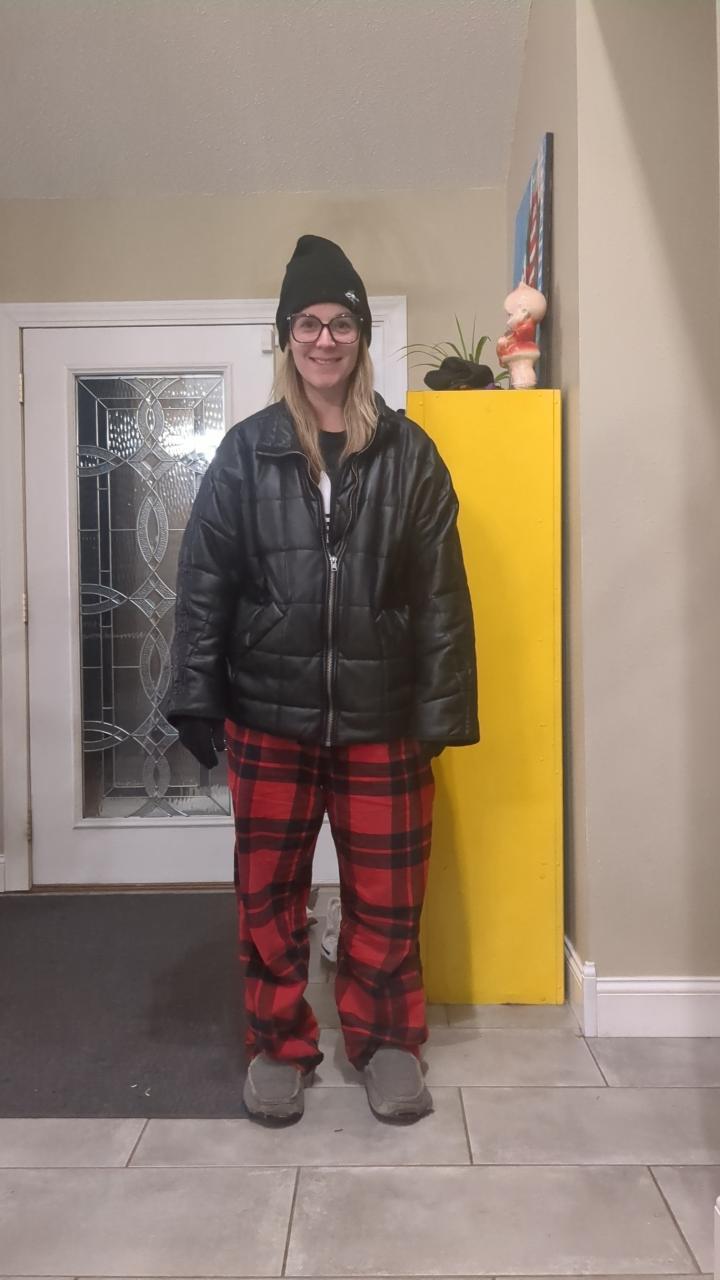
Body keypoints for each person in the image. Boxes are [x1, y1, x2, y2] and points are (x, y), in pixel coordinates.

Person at [168, 235, 479, 1125]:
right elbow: (205, 582)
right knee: (269, 893)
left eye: (340, 321)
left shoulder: (410, 454)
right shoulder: (246, 453)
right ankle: (279, 1044)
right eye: (306, 322)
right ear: (286, 336)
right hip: (269, 714)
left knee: (388, 894)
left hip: (385, 716)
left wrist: (442, 709)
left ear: (362, 334)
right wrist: (197, 693)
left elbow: (442, 595)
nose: (324, 339)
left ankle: (386, 1043)